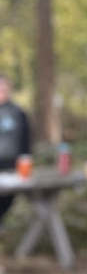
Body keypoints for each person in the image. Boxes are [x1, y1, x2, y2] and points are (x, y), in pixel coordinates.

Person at [0, 74, 31, 222]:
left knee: (7, 202)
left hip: (13, 165)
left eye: (4, 89)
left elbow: (26, 138)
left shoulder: (18, 112)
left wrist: (26, 159)